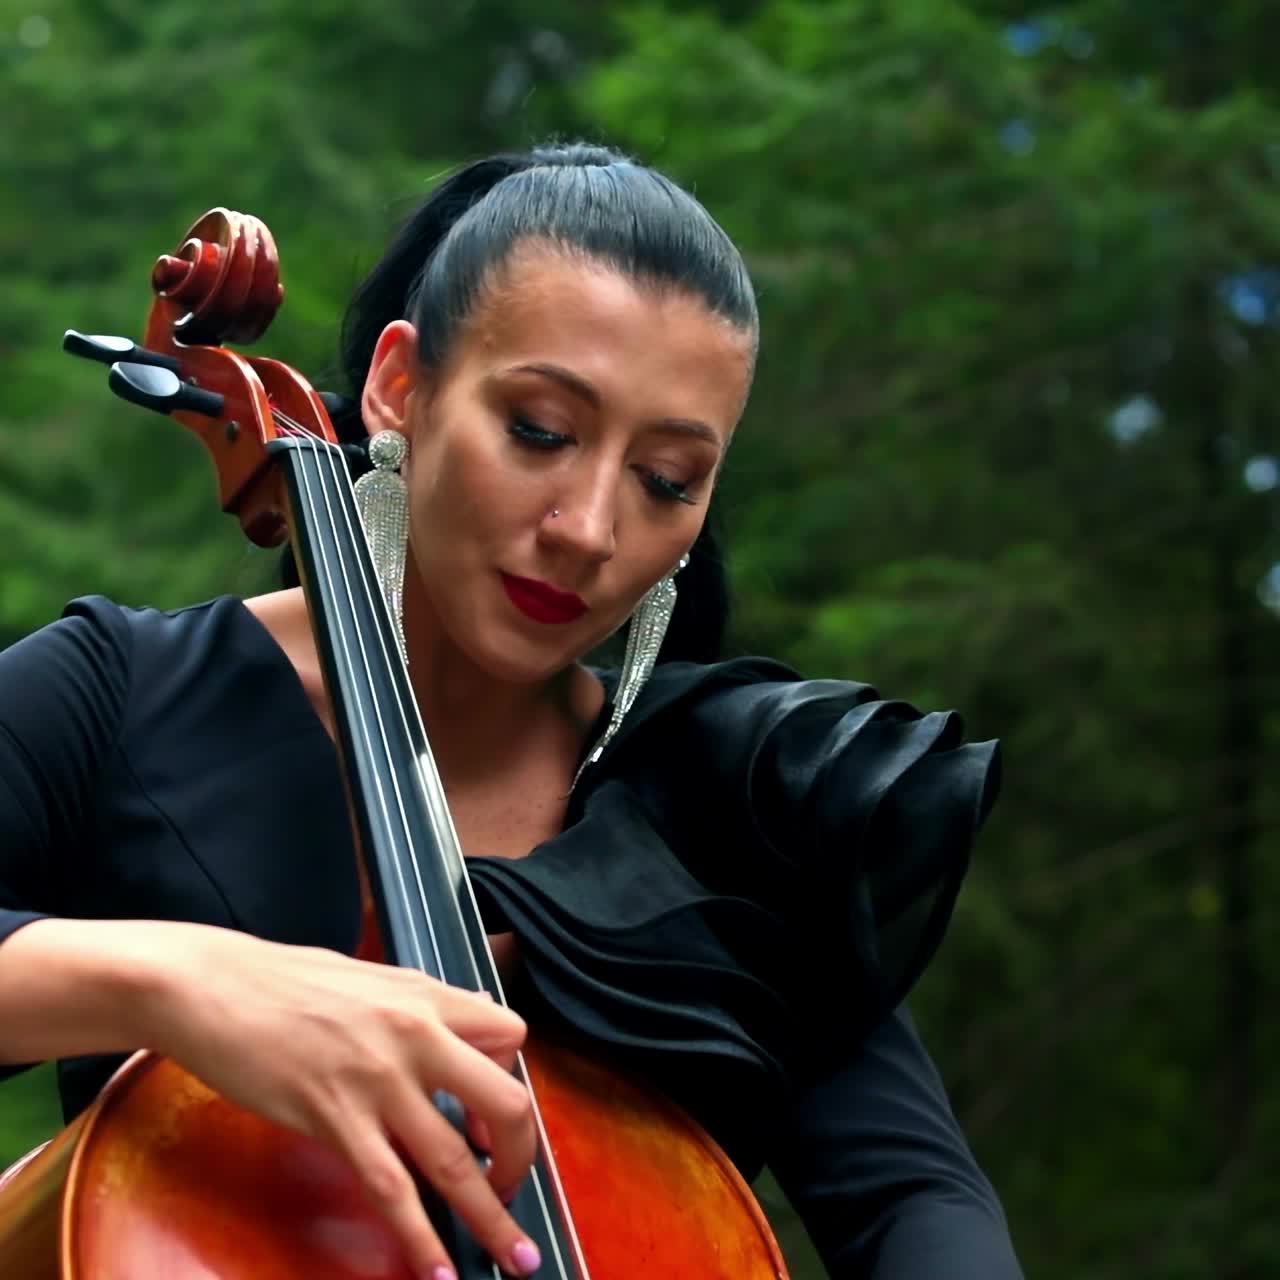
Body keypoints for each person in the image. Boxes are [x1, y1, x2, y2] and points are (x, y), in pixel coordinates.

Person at [0, 143, 1022, 1279]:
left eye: (667, 478)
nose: (589, 526)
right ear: (401, 386)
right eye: (539, 429)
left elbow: (916, 1200)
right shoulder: (113, 694)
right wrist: (174, 980)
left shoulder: (730, 804)